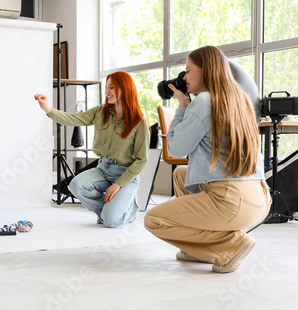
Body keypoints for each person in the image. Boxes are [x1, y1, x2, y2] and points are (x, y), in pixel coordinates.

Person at [144, 45, 272, 273]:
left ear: (207, 70)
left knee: (154, 220)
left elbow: (176, 148)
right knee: (182, 175)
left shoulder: (204, 101)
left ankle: (229, 246)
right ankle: (195, 248)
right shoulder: (240, 100)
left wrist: (182, 106)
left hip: (231, 201)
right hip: (259, 198)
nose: (183, 77)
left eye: (188, 70)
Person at [35, 71, 150, 227]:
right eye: (106, 87)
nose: (107, 92)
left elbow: (141, 159)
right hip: (102, 169)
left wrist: (118, 184)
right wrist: (48, 108)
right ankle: (107, 211)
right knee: (75, 185)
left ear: (125, 89)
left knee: (111, 222)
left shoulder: (139, 120)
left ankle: (129, 210)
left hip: (125, 175)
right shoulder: (100, 111)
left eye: (112, 87)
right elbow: (73, 119)